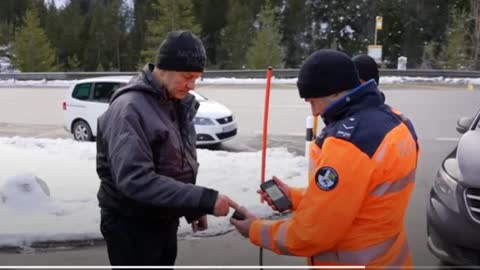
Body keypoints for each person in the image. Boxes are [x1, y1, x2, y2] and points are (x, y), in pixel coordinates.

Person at [231, 49, 419, 268]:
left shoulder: (348, 144)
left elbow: (311, 234)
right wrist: (295, 197)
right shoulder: (397, 121)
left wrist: (255, 229)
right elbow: (358, 196)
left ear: (334, 93)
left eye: (312, 101)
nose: (315, 112)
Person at [96, 30, 234, 267]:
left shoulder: (174, 102)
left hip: (163, 219)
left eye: (197, 78)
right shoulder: (130, 109)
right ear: (164, 68)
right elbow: (135, 179)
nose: (192, 86)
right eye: (187, 76)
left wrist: (193, 207)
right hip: (132, 227)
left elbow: (175, 163)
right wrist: (204, 199)